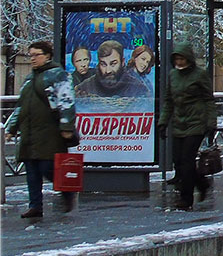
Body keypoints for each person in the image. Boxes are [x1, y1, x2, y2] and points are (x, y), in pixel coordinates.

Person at [3, 41, 77, 218]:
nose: (33, 59)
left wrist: (66, 126)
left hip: (49, 132)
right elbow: (21, 105)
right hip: (29, 132)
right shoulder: (30, 79)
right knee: (31, 169)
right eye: (31, 55)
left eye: (37, 55)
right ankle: (35, 205)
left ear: (48, 56)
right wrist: (11, 128)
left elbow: (67, 102)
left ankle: (67, 192)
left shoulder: (58, 75)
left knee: (48, 167)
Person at [159, 39, 217, 210]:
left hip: (196, 123)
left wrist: (211, 123)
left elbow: (208, 99)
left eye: (182, 59)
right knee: (178, 160)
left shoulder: (199, 75)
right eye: (176, 59)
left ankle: (186, 199)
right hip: (179, 123)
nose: (179, 62)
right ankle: (202, 183)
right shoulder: (173, 76)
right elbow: (169, 100)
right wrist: (163, 122)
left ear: (188, 59)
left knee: (187, 160)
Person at [74, 40, 148, 99]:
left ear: (122, 62)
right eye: (103, 64)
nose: (108, 70)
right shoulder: (84, 88)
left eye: (113, 64)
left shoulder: (139, 89)